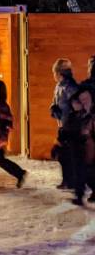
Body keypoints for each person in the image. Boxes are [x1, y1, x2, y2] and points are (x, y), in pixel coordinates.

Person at [61, 86, 95, 205]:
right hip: (82, 149)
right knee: (81, 172)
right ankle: (79, 196)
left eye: (86, 98)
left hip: (91, 150)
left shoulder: (92, 114)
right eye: (82, 99)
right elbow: (70, 129)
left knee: (88, 173)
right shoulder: (79, 115)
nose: (84, 101)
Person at [50, 58, 80, 189]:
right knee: (62, 154)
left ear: (60, 73)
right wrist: (54, 108)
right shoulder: (58, 86)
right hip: (62, 125)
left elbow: (77, 106)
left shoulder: (70, 87)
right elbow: (56, 101)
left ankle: (72, 181)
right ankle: (67, 180)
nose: (53, 76)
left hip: (70, 126)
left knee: (66, 154)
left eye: (54, 73)